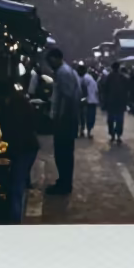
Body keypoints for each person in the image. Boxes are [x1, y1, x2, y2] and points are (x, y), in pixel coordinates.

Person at [0, 78, 39, 223]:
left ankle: (15, 222)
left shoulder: (10, 106)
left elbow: (8, 129)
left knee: (16, 188)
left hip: (22, 148)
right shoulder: (23, 102)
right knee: (19, 182)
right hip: (30, 147)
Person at [46, 48, 81, 194]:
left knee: (62, 153)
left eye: (50, 60)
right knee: (65, 153)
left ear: (56, 58)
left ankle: (64, 184)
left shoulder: (63, 73)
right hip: (68, 119)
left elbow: (67, 99)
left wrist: (60, 119)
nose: (49, 64)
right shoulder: (67, 71)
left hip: (65, 120)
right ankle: (64, 181)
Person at [106, 61, 129, 144]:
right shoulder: (124, 77)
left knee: (111, 120)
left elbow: (105, 89)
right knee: (119, 120)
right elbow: (127, 90)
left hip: (111, 102)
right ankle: (118, 135)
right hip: (120, 102)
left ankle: (112, 135)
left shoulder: (108, 77)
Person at [76, 62, 99, 138]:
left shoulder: (83, 78)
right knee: (88, 117)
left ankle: (83, 131)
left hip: (86, 100)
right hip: (91, 100)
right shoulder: (88, 78)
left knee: (82, 117)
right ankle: (87, 131)